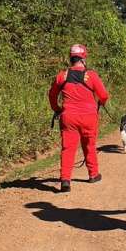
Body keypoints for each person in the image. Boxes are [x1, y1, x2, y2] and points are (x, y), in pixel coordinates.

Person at [49, 44, 109, 193]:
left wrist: (57, 109)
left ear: (71, 58)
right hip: (89, 116)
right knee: (89, 145)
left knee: (68, 148)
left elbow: (52, 95)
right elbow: (104, 95)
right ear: (83, 58)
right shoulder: (92, 75)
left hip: (68, 117)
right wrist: (100, 103)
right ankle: (93, 174)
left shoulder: (62, 75)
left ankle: (65, 180)